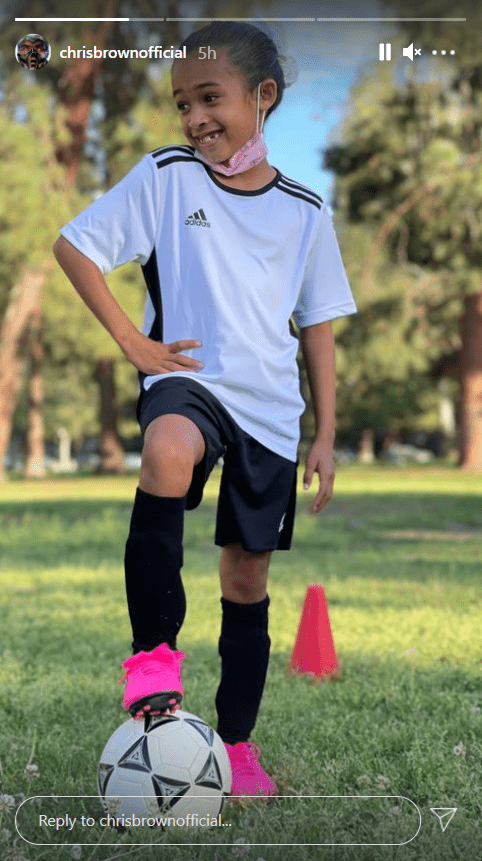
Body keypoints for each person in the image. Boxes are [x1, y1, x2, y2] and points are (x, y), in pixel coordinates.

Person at [53, 20, 356, 798]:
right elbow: (75, 245)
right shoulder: (167, 176)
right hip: (187, 378)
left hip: (270, 410)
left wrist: (323, 433)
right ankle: (153, 660)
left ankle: (239, 747)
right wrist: (131, 339)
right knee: (165, 451)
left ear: (264, 97)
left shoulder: (305, 211)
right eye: (183, 103)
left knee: (246, 577)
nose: (194, 118)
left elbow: (316, 325)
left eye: (209, 98)